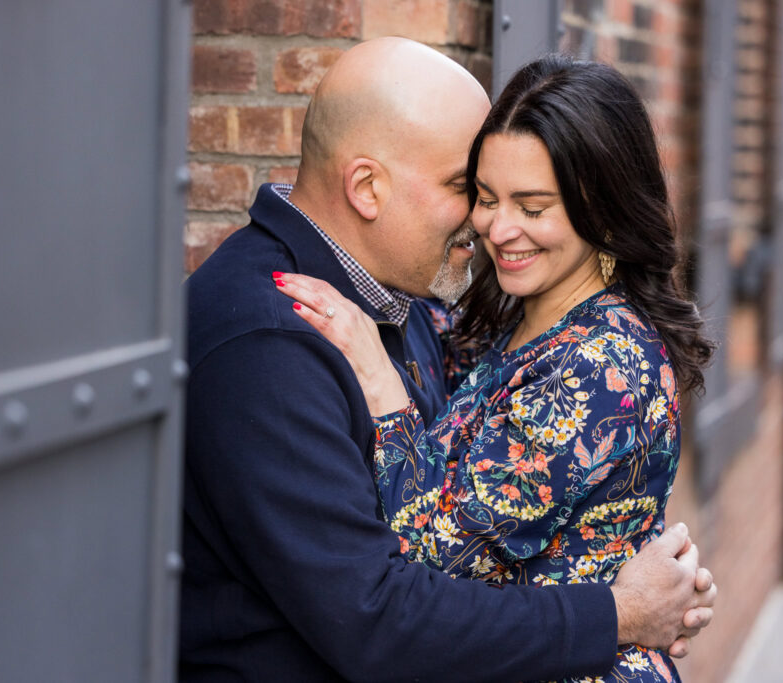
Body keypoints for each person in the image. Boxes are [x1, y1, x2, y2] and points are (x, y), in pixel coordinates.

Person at [182, 39, 716, 682]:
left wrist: (626, 594)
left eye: (531, 204)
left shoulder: (404, 308)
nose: (485, 223)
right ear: (367, 187)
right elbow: (381, 614)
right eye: (473, 190)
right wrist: (621, 612)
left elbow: (440, 545)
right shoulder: (275, 339)